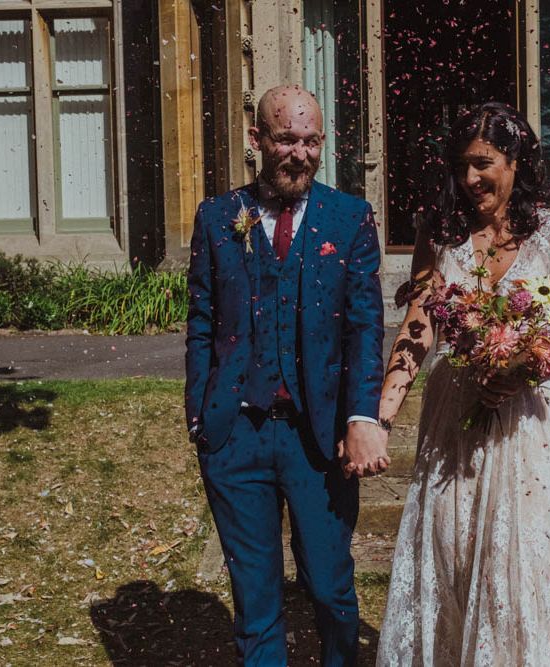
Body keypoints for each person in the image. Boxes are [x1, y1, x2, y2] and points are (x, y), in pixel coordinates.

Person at [185, 85, 390, 665]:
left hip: (318, 439)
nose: (299, 153)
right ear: (258, 141)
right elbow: (202, 320)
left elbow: (364, 328)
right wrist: (200, 416)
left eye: (310, 140)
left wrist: (360, 417)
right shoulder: (218, 217)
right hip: (234, 436)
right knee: (255, 600)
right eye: (286, 139)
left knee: (330, 588)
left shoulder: (350, 218)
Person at [376, 102, 550, 665]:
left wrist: (522, 370)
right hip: (453, 415)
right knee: (450, 547)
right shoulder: (440, 232)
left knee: (518, 560)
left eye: (483, 163)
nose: (469, 179)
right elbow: (418, 326)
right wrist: (383, 417)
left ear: (516, 161)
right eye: (461, 165)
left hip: (524, 427)